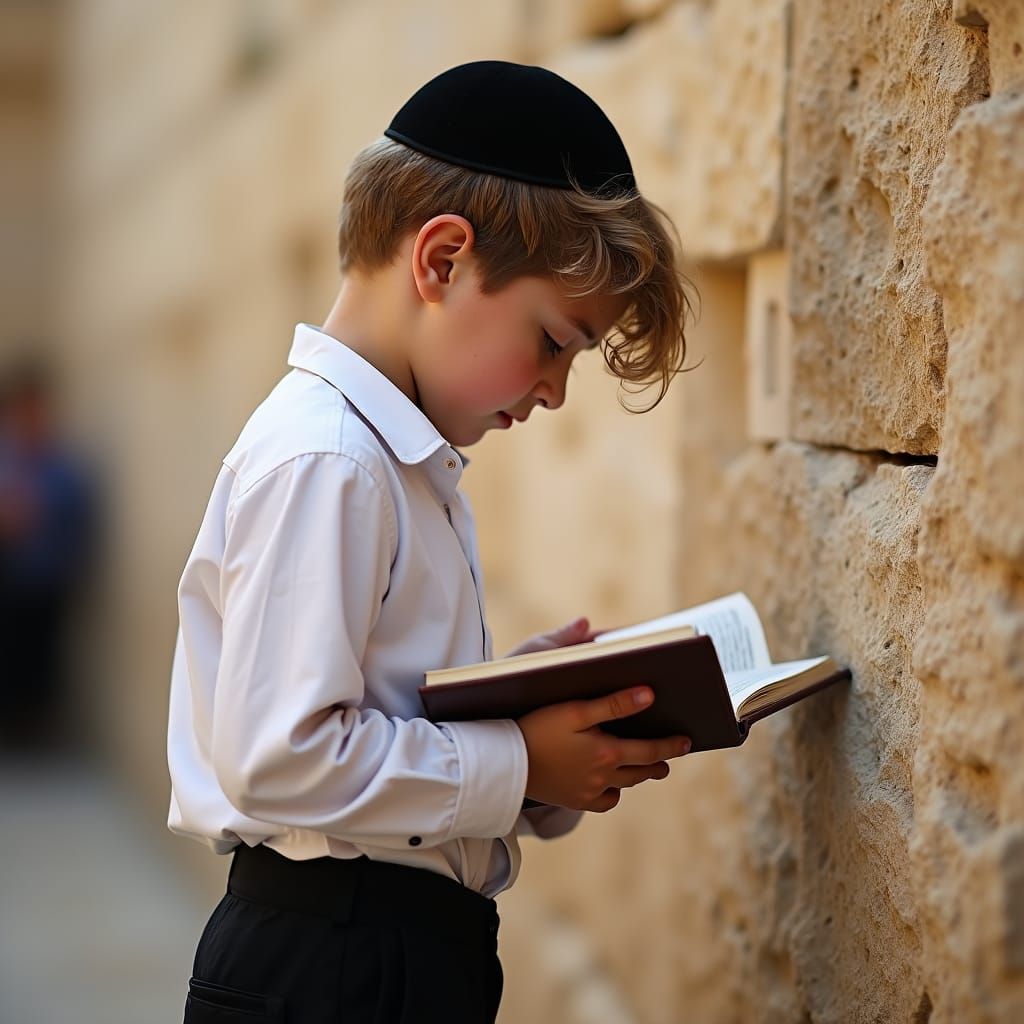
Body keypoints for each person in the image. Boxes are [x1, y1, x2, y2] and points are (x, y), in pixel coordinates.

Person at [167, 60, 698, 1023]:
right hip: (329, 967)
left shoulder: (390, 461)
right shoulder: (328, 460)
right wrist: (517, 763)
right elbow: (279, 759)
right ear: (442, 261)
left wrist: (523, 714)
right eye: (553, 341)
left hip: (385, 954)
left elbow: (370, 715)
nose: (553, 392)